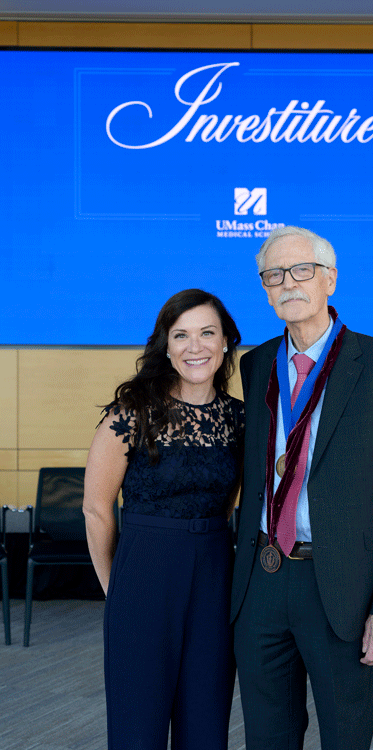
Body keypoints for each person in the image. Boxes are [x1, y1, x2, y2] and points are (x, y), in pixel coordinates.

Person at [231, 226, 373, 750]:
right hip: (262, 583)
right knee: (267, 739)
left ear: (330, 280)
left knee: (345, 738)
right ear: (265, 288)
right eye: (274, 275)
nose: (288, 284)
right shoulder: (254, 366)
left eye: (301, 271)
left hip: (343, 590)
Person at [83, 288, 244, 750]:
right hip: (143, 574)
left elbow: (233, 498)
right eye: (182, 335)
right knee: (138, 725)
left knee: (206, 723)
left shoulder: (239, 418)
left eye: (207, 333)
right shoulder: (131, 413)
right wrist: (117, 589)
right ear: (166, 346)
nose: (195, 347)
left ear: (226, 341)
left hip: (215, 572)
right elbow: (96, 508)